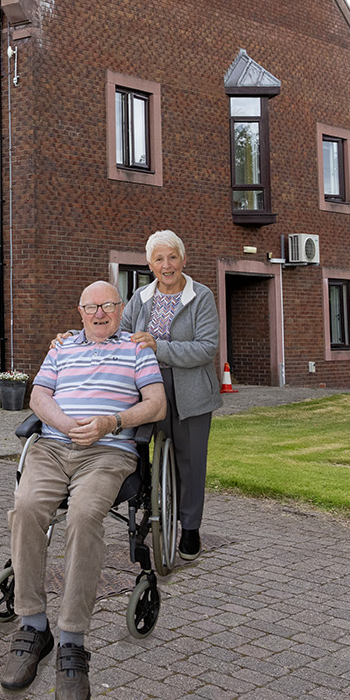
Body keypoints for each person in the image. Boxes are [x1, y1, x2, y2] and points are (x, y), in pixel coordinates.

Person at [2, 281, 166, 700]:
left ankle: (72, 642)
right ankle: (34, 626)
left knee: (84, 516)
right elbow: (38, 395)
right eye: (91, 307)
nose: (99, 314)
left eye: (108, 306)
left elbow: (157, 404)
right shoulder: (60, 348)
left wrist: (111, 421)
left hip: (108, 454)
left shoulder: (136, 348)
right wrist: (64, 423)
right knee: (25, 508)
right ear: (79, 312)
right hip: (54, 447)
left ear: (120, 309)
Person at [118, 230, 220, 562]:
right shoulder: (140, 298)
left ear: (183, 260)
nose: (167, 265)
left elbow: (207, 348)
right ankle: (149, 511)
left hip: (190, 389)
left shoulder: (200, 296)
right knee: (144, 451)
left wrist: (158, 346)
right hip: (148, 387)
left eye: (172, 257)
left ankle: (190, 528)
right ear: (150, 264)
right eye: (159, 259)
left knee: (190, 462)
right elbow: (121, 337)